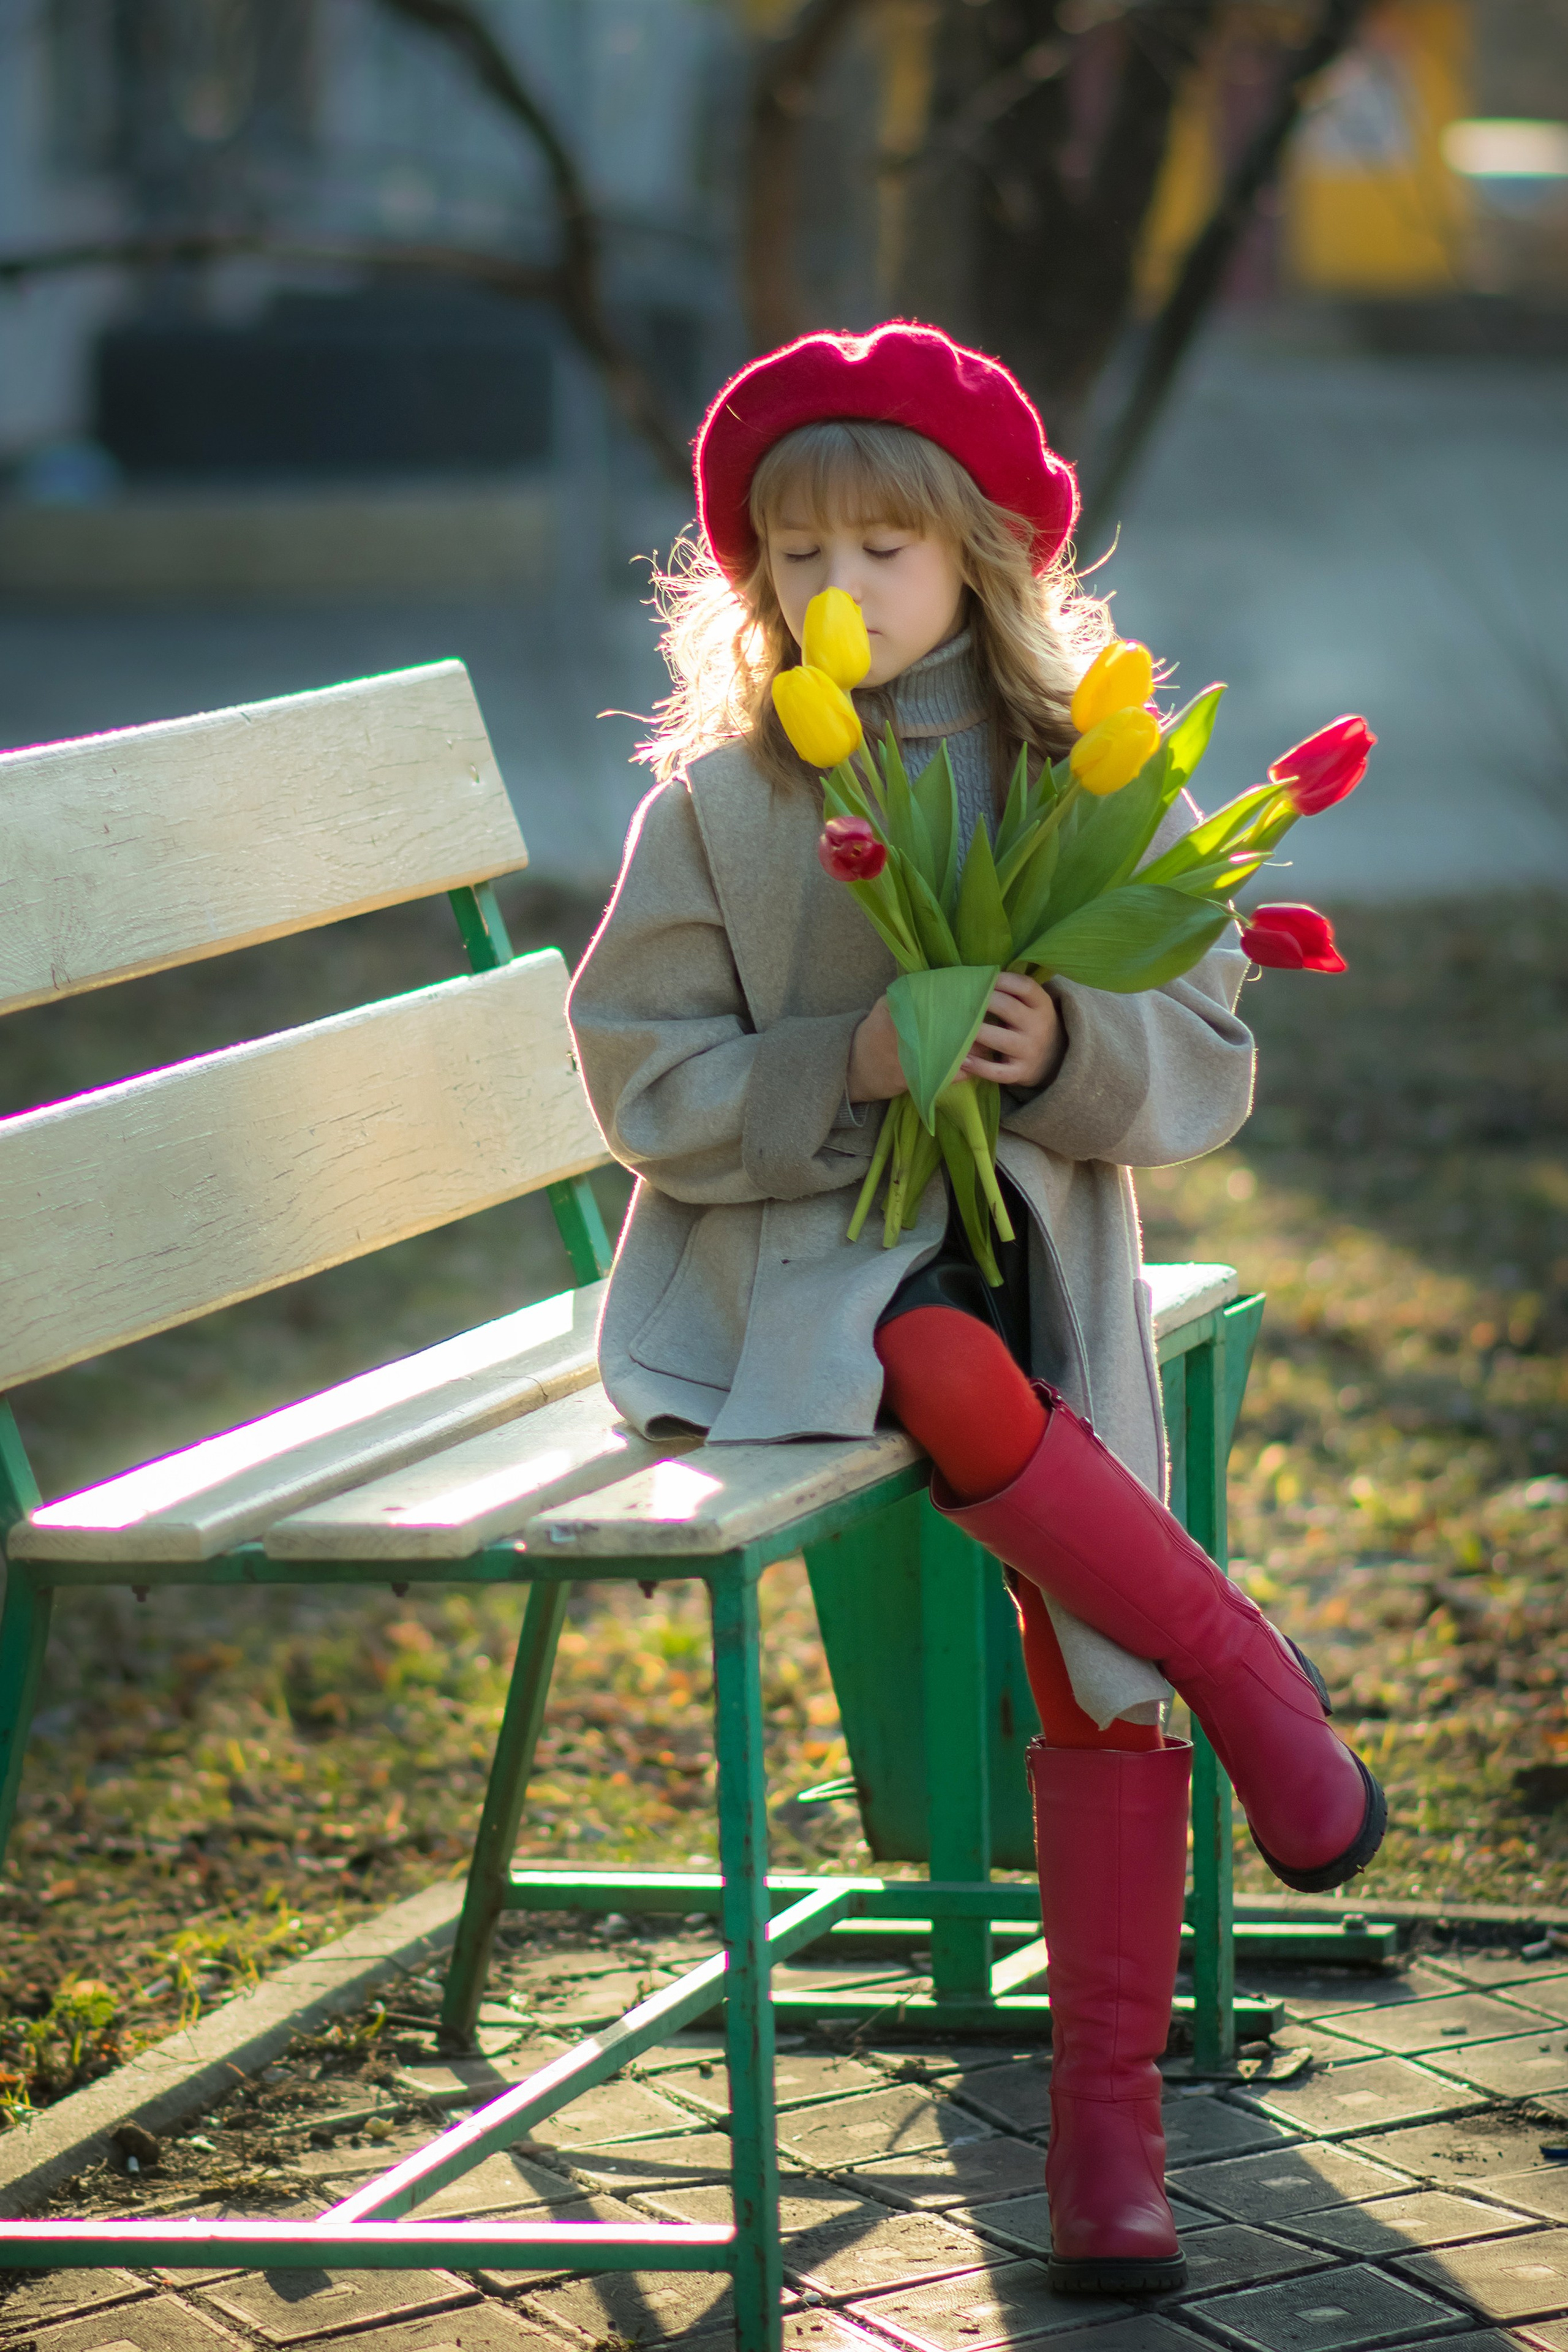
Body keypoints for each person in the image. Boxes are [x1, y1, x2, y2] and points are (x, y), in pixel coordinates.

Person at [567, 322, 1385, 2297]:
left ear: (983, 556)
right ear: (754, 580)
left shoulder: (1082, 771)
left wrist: (1060, 1046)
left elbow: (1202, 1047)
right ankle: (1244, 1666)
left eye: (887, 548)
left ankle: (1108, 2124)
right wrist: (842, 1065)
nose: (839, 591)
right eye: (799, 558)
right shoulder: (725, 805)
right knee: (931, 1354)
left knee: (1080, 1620)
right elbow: (639, 1073)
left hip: (1035, 1255)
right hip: (791, 1269)